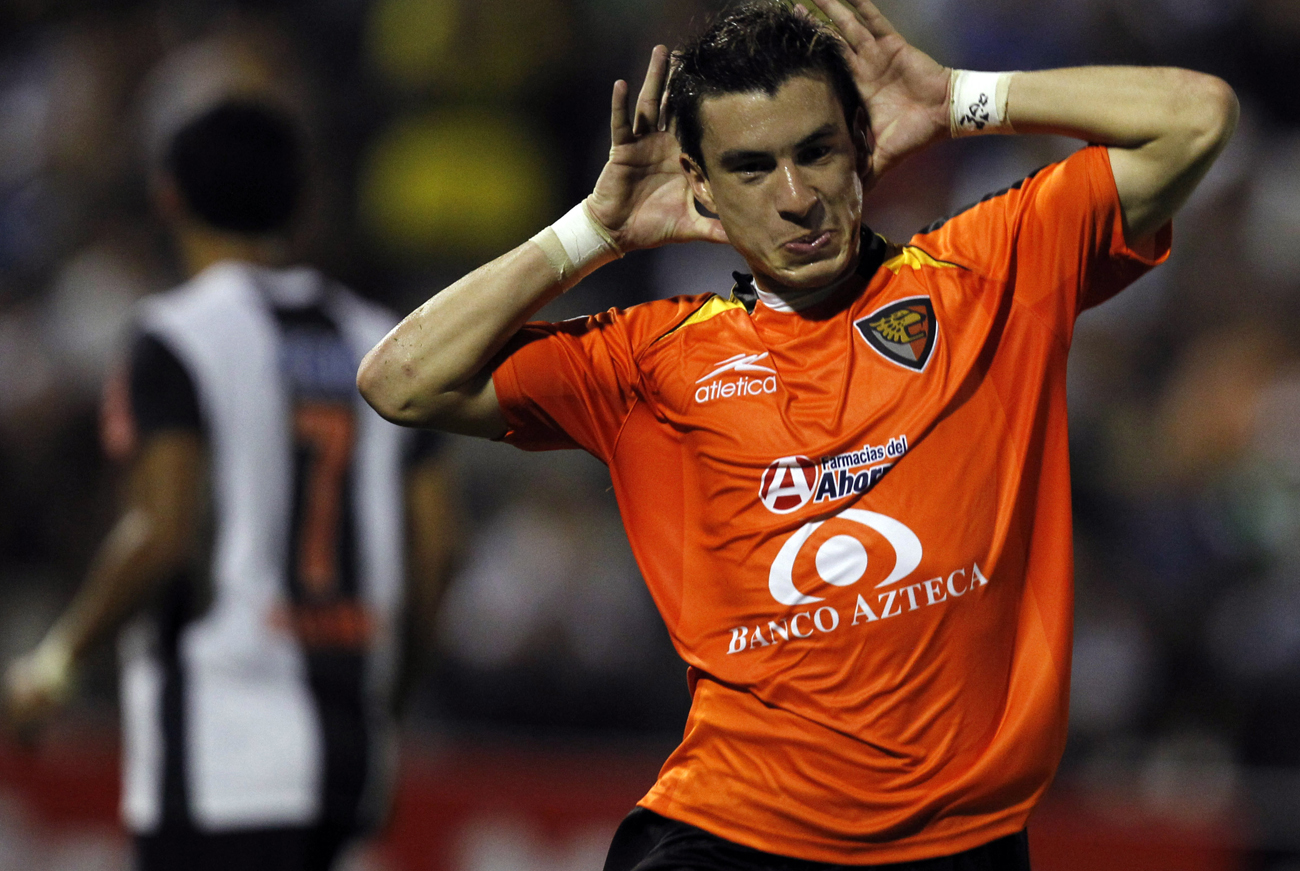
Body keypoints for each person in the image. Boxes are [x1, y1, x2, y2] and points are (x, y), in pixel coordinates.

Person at [357, 0, 1237, 867]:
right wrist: (592, 233)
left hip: (960, 842)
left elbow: (1197, 119)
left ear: (859, 142)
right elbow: (399, 379)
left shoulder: (989, 272)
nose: (796, 198)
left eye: (816, 150)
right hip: (730, 836)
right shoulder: (648, 360)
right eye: (750, 167)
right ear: (698, 184)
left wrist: (961, 100)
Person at [3, 100, 457, 871]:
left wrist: (56, 663)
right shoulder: (382, 341)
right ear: (303, 204)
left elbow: (162, 533)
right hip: (348, 757)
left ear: (168, 196)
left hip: (220, 750)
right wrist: (384, 706)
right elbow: (437, 549)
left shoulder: (176, 336)